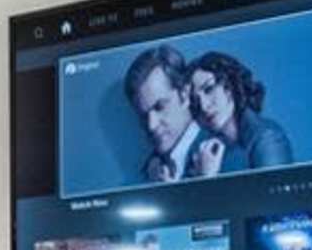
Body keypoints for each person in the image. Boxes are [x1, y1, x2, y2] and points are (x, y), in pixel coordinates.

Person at [188, 51, 295, 169]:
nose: (204, 106)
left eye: (209, 89)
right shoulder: (206, 149)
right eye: (195, 100)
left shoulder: (267, 138)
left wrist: (207, 176)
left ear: (230, 84)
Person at [121, 46, 199, 183]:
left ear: (185, 95)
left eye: (159, 107)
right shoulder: (144, 176)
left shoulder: (226, 153)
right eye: (143, 116)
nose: (151, 125)